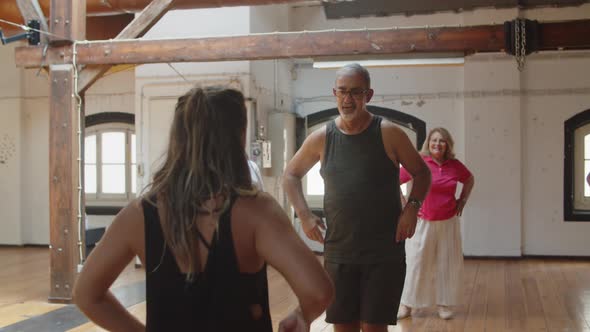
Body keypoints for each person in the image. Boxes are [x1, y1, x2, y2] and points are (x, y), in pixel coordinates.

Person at [74, 86, 333, 332]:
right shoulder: (257, 212)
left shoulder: (139, 214)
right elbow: (318, 292)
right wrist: (300, 314)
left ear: (178, 138)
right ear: (237, 137)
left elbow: (86, 294)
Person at [283, 63, 431, 332]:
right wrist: (305, 216)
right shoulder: (322, 138)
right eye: (342, 92)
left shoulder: (388, 133)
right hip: (340, 252)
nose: (348, 99)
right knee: (343, 327)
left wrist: (412, 207)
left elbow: (422, 173)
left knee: (375, 328)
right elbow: (290, 175)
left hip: (384, 252)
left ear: (368, 95)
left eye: (355, 92)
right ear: (334, 93)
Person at [397, 127, 475, 320]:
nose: (437, 144)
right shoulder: (419, 163)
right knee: (416, 263)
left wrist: (462, 201)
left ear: (447, 144)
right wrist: (405, 205)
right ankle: (407, 304)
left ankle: (444, 304)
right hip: (421, 221)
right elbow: (394, 180)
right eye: (434, 140)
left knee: (447, 263)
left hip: (448, 222)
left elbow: (469, 179)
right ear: (428, 144)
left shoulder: (455, 165)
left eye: (442, 141)